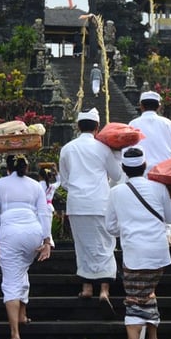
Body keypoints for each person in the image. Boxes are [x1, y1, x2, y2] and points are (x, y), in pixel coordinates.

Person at [106, 147, 171, 339]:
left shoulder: (116, 192)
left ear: (124, 168)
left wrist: (127, 225)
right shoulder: (159, 187)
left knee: (135, 300)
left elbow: (110, 228)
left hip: (135, 253)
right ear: (144, 166)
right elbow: (170, 218)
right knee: (149, 292)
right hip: (158, 254)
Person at [0, 154, 53, 339]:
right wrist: (47, 240)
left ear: (7, 167)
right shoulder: (35, 185)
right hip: (33, 232)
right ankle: (22, 314)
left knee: (10, 282)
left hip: (10, 232)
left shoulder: (0, 184)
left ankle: (14, 332)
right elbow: (44, 212)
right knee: (20, 272)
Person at [59, 108, 122, 304]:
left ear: (78, 126)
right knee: (105, 244)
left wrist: (77, 189)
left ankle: (87, 287)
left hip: (77, 203)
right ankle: (104, 290)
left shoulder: (68, 148)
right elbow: (117, 175)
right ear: (97, 127)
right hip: (100, 202)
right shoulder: (103, 148)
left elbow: (64, 180)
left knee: (82, 245)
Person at [128, 91, 171, 171]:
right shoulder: (167, 123)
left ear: (141, 106)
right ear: (159, 107)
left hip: (140, 172)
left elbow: (127, 149)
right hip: (164, 172)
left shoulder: (133, 124)